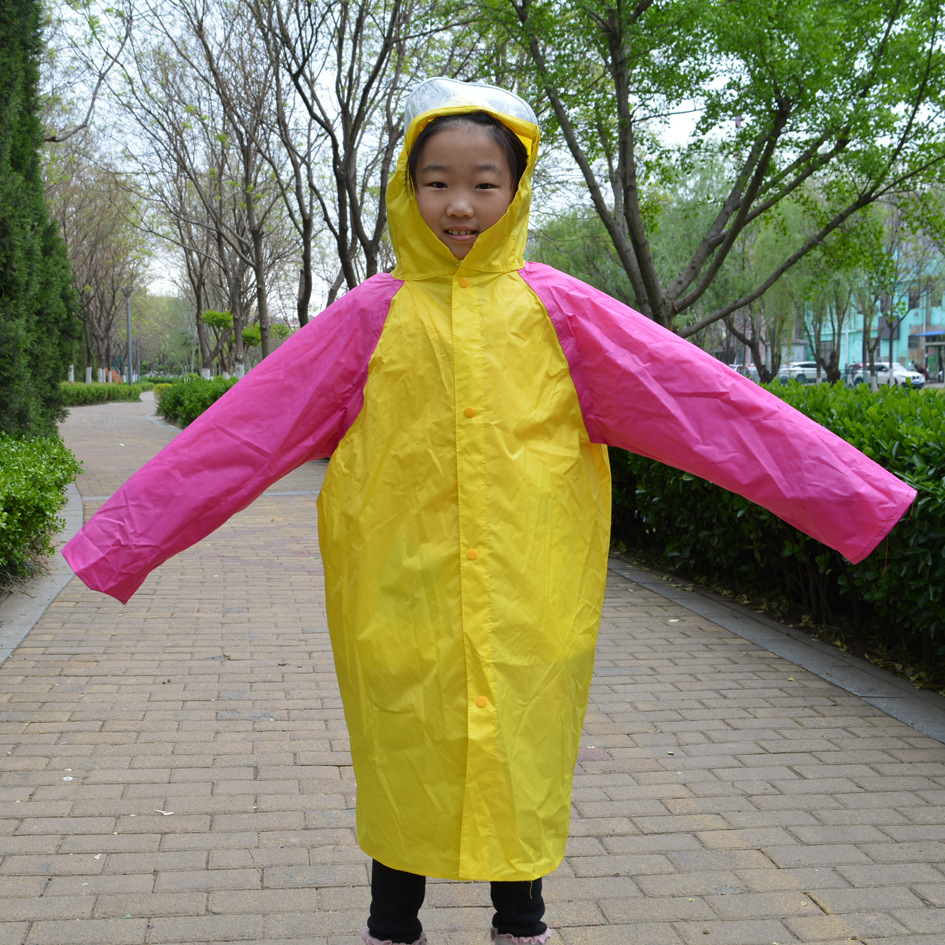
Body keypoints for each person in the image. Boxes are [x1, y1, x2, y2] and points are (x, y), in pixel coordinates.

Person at [63, 78, 916, 945]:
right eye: (436, 182)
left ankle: (522, 921)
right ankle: (391, 925)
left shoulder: (563, 314)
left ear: (516, 188)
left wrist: (854, 497)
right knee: (403, 749)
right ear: (408, 188)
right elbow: (242, 434)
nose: (459, 205)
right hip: (399, 588)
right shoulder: (370, 318)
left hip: (529, 586)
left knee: (522, 744)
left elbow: (708, 406)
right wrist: (122, 541)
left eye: (483, 182)